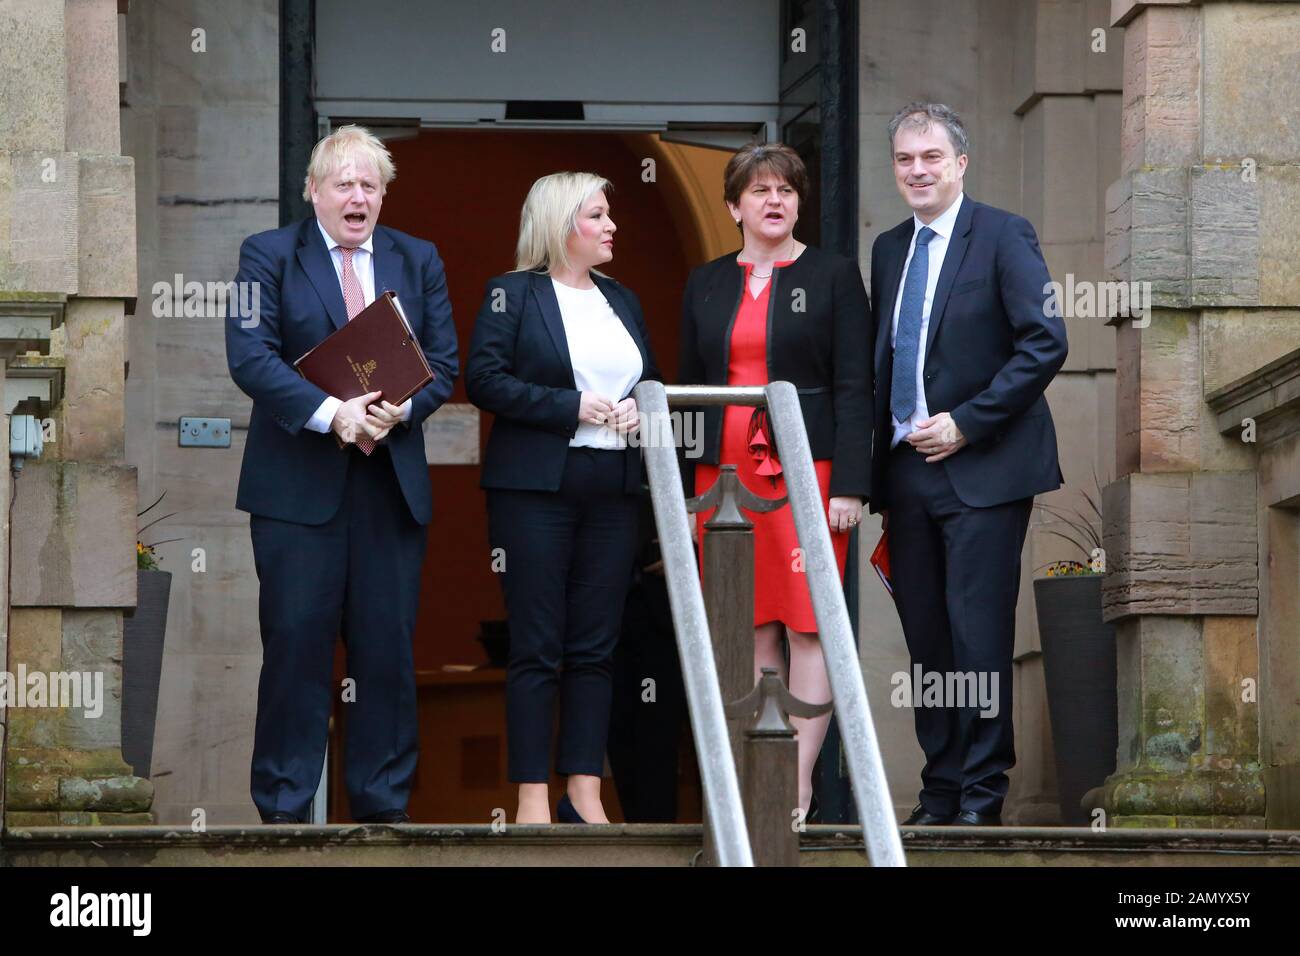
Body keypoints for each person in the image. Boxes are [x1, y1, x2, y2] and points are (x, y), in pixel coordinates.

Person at [225, 124, 458, 824]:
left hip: (389, 491)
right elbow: (249, 354)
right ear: (313, 191)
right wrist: (334, 414)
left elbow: (444, 362)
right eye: (343, 184)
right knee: (296, 648)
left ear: (383, 194)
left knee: (385, 656)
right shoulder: (265, 254)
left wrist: (402, 410)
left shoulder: (418, 259)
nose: (358, 197)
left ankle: (382, 816)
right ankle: (285, 815)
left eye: (370, 185)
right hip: (298, 494)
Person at [869, 103, 1067, 827]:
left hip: (984, 468)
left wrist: (967, 423)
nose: (916, 170)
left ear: (960, 163)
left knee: (977, 636)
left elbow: (1045, 341)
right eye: (904, 160)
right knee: (927, 639)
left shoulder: (1004, 234)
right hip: (907, 472)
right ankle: (941, 791)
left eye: (930, 158)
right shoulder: (890, 248)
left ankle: (983, 798)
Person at [678, 143, 873, 817]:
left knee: (809, 623)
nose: (774, 201)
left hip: (808, 468)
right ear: (734, 206)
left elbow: (855, 385)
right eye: (759, 191)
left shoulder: (832, 275)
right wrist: (681, 496)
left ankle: (796, 777)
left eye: (786, 190)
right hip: (721, 475)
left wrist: (850, 484)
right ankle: (757, 762)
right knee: (750, 622)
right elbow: (684, 388)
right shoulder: (703, 281)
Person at [466, 173, 660, 825]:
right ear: (561, 224)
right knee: (537, 643)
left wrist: (640, 407)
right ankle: (528, 798)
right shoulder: (511, 294)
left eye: (610, 215)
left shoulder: (623, 300)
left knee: (597, 646)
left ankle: (583, 788)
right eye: (598, 215)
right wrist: (570, 405)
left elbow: (651, 377)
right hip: (535, 491)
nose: (612, 227)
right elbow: (485, 380)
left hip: (613, 489)